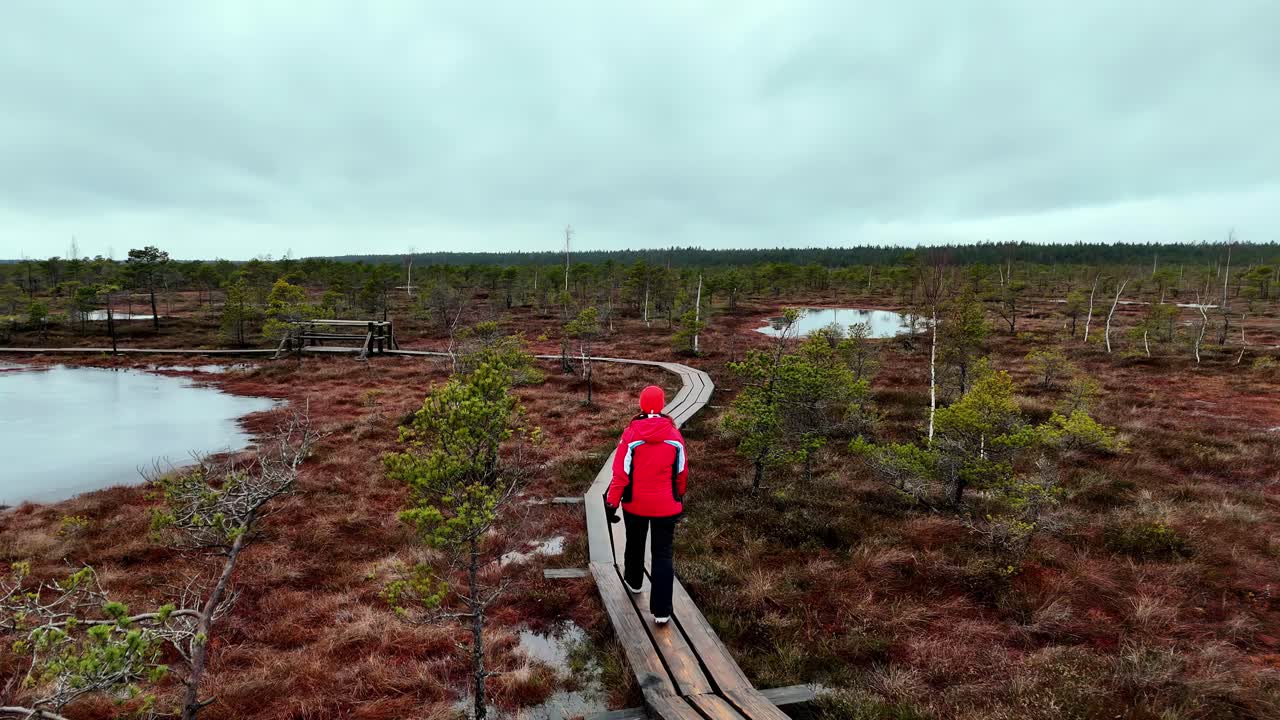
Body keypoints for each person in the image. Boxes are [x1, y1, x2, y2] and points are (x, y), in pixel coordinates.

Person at [604, 384, 688, 626]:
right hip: (667, 506)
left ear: (641, 404)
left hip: (635, 505)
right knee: (663, 555)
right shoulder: (674, 436)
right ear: (662, 404)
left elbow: (620, 474)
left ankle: (634, 581)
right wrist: (678, 495)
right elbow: (682, 472)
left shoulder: (630, 435)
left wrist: (612, 503)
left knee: (635, 541)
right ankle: (662, 611)